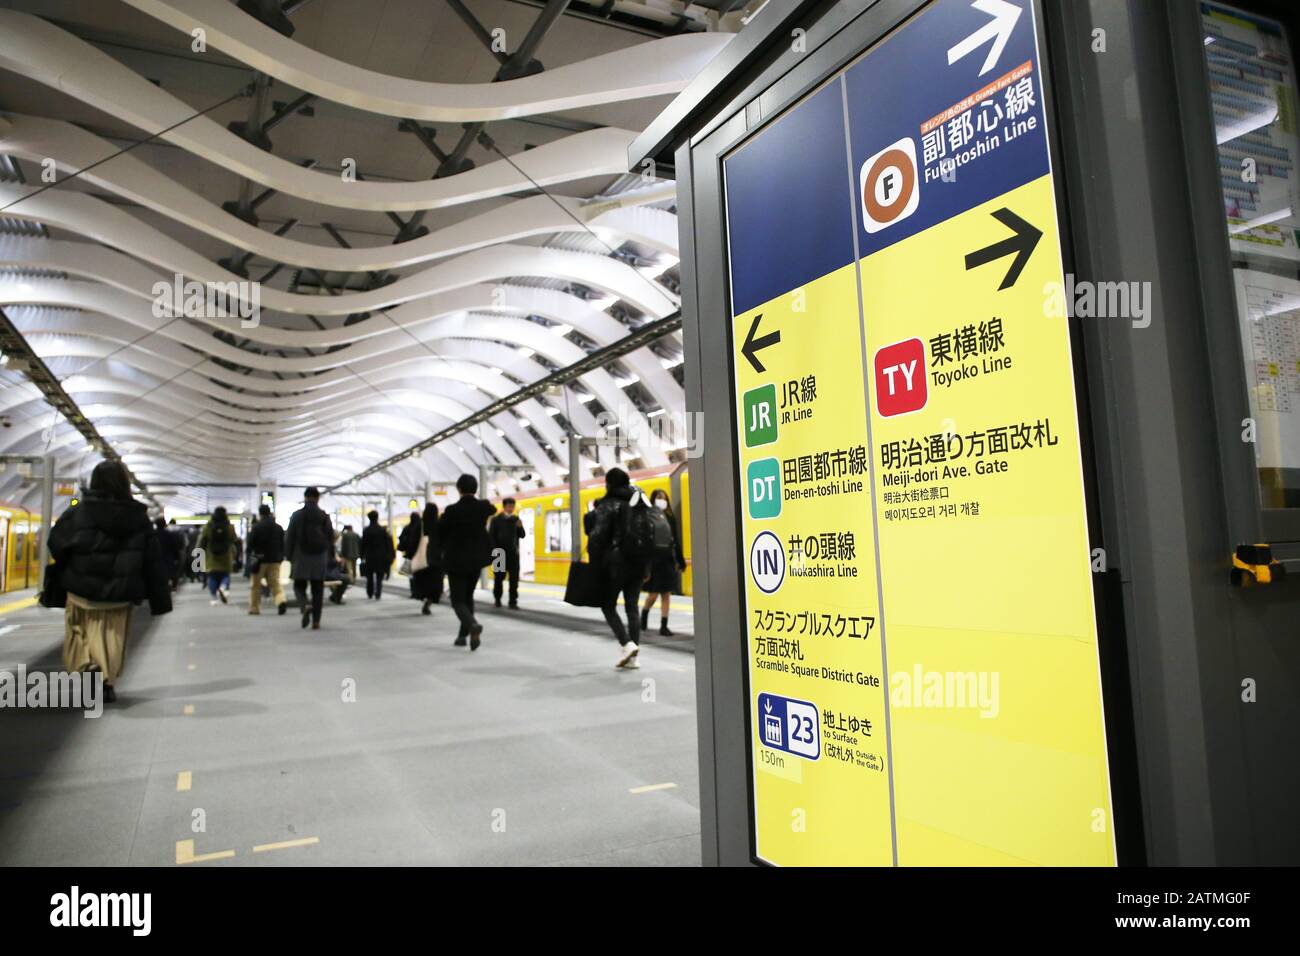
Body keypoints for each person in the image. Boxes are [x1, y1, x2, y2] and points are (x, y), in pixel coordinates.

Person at [41, 460, 171, 703]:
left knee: (78, 632)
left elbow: (56, 543)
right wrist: (160, 599)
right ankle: (107, 682)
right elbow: (152, 561)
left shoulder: (77, 512)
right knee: (113, 637)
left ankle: (84, 665)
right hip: (119, 594)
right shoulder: (138, 517)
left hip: (81, 590)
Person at [587, 467, 649, 669]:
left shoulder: (608, 504)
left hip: (615, 564)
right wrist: (647, 565)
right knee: (632, 607)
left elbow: (597, 537)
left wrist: (595, 564)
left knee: (607, 604)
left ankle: (626, 643)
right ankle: (634, 657)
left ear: (609, 483)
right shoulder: (639, 501)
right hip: (638, 563)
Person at [438, 474, 496, 650]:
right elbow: (491, 508)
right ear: (476, 489)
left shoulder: (452, 510)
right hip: (476, 560)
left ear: (459, 489)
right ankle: (462, 636)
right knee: (468, 597)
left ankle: (472, 625)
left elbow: (441, 532)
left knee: (457, 600)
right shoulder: (483, 507)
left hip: (456, 560)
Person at [285, 486, 335, 630]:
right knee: (317, 589)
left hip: (301, 556)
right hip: (319, 557)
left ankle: (305, 605)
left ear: (305, 497)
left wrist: (288, 556)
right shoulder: (324, 516)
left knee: (299, 586)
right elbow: (330, 538)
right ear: (318, 498)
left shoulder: (296, 515)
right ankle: (316, 621)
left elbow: (290, 538)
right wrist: (330, 557)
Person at [639, 488, 688, 636]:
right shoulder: (648, 517)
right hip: (654, 560)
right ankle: (645, 613)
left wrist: (680, 561)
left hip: (667, 559)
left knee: (666, 593)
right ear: (653, 500)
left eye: (664, 498)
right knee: (653, 595)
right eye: (659, 498)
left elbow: (675, 541)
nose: (663, 501)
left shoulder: (670, 518)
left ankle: (664, 625)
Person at [246, 503, 288, 616]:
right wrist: (280, 557)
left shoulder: (256, 527)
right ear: (270, 513)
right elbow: (282, 544)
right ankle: (281, 601)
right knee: (275, 583)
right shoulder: (278, 528)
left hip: (259, 560)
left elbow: (250, 544)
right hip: (275, 560)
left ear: (260, 514)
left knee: (256, 585)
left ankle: (254, 608)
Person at [488, 497, 525, 608]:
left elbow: (522, 535)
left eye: (512, 506)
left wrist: (520, 527)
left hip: (513, 554)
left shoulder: (516, 519)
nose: (511, 508)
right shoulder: (496, 520)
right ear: (504, 506)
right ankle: (497, 599)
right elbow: (491, 536)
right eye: (509, 506)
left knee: (514, 579)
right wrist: (494, 551)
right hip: (499, 553)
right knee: (498, 578)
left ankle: (513, 601)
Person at [198, 506, 239, 605]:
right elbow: (234, 539)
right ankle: (223, 587)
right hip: (226, 555)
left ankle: (214, 598)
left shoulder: (208, 526)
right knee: (225, 574)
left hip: (211, 555)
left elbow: (202, 541)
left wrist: (199, 556)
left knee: (212, 576)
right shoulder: (230, 526)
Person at [411, 502, 444, 615]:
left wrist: (411, 555)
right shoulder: (440, 525)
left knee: (423, 583)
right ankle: (429, 601)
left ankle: (424, 598)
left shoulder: (420, 525)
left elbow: (413, 542)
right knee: (435, 585)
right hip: (437, 560)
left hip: (422, 560)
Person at [359, 510, 395, 599]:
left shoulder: (366, 530)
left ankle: (370, 592)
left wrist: (361, 555)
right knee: (379, 576)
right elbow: (388, 544)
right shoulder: (382, 530)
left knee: (369, 576)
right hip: (380, 556)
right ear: (377, 517)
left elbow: (363, 544)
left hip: (369, 556)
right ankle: (378, 593)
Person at [397, 510, 422, 599]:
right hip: (420, 555)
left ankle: (413, 592)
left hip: (410, 554)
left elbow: (401, 538)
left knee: (411, 575)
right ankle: (419, 592)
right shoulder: (421, 528)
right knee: (420, 574)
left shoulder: (407, 528)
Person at [154, 516, 181, 591]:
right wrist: (177, 557)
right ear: (164, 524)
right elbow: (174, 547)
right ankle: (171, 586)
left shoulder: (153, 535)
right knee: (170, 573)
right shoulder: (169, 534)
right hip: (168, 558)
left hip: (156, 558)